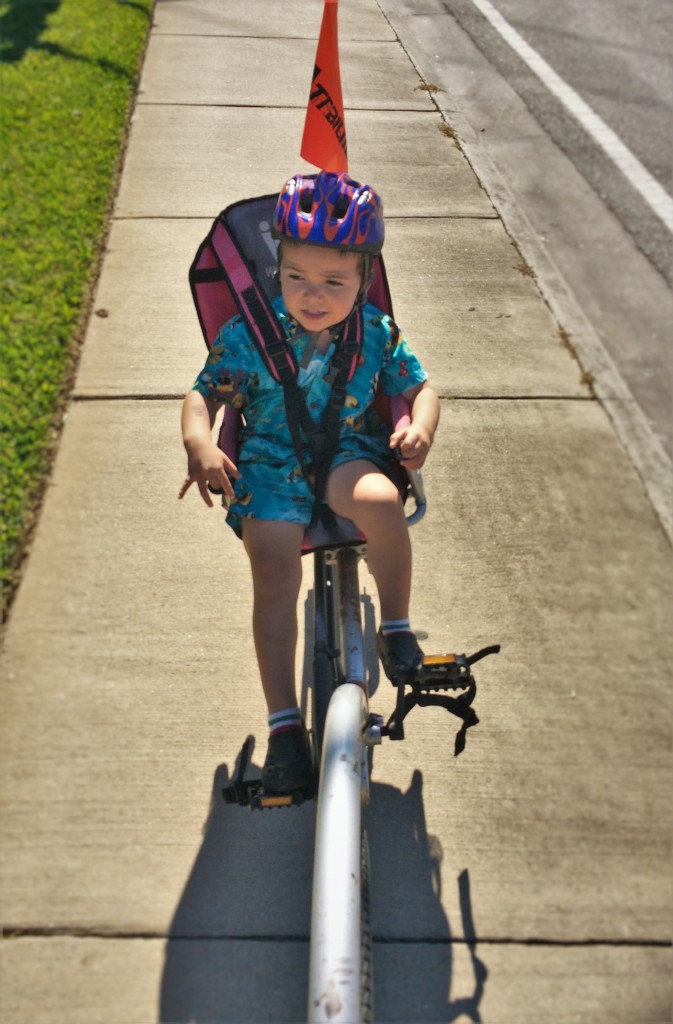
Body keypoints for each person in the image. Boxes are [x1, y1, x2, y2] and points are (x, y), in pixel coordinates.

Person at [180, 171, 439, 793]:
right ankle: (284, 727)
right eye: (296, 277)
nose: (313, 295)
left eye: (334, 282)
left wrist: (421, 428)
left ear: (364, 281)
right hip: (269, 462)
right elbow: (202, 395)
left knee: (379, 501)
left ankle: (396, 628)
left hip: (348, 449)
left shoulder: (376, 333)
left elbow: (418, 388)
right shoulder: (248, 336)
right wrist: (199, 441)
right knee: (273, 570)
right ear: (278, 271)